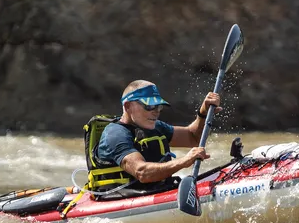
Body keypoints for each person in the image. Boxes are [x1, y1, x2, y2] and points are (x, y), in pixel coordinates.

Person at [91, 80, 221, 199]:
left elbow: (192, 137)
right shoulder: (115, 134)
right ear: (127, 106)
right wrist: (184, 161)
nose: (156, 112)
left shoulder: (155, 127)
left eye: (158, 106)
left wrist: (203, 113)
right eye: (149, 106)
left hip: (154, 190)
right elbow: (142, 172)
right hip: (122, 198)